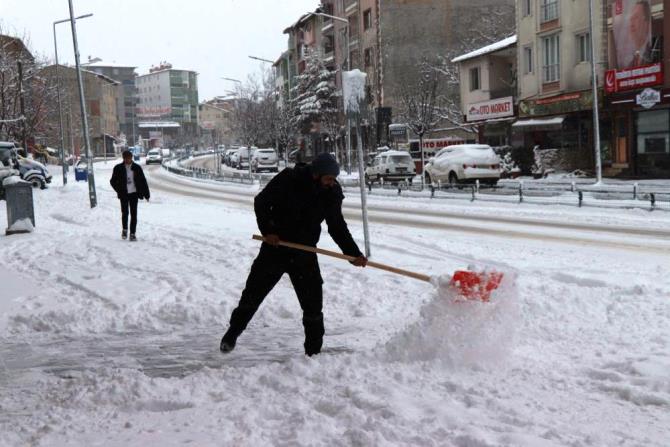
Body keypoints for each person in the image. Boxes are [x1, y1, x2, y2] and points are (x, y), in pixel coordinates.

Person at [221, 153, 367, 356]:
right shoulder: (289, 179)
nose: (332, 183)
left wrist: (353, 254)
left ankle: (313, 352)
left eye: (334, 179)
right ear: (316, 174)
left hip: (305, 253)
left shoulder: (331, 192)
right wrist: (268, 231)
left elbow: (337, 226)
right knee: (253, 294)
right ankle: (232, 334)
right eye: (329, 178)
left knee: (313, 305)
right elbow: (261, 202)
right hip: (276, 249)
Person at [110, 149, 150, 241]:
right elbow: (112, 181)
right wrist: (119, 190)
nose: (128, 160)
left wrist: (147, 195)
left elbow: (143, 181)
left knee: (134, 214)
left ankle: (132, 233)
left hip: (134, 194)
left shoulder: (137, 168)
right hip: (124, 194)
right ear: (123, 158)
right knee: (125, 213)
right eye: (126, 158)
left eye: (129, 158)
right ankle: (124, 230)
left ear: (131, 158)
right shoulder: (118, 168)